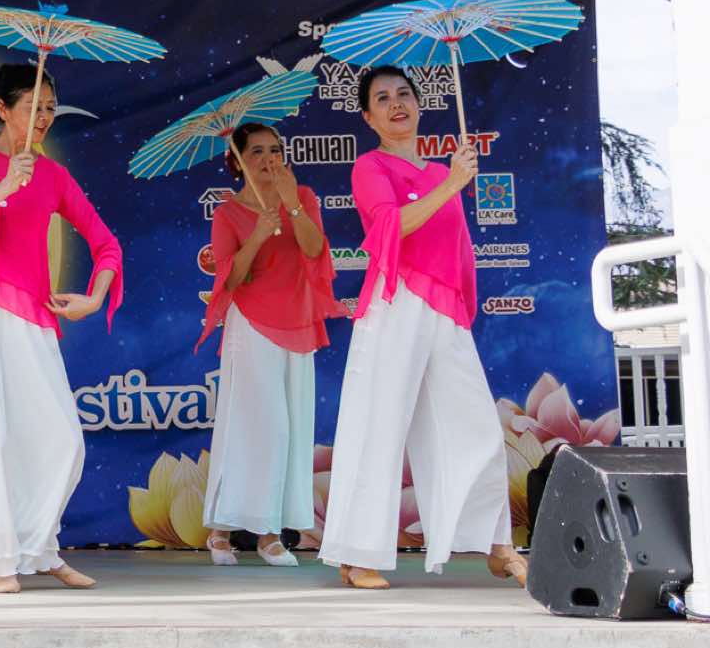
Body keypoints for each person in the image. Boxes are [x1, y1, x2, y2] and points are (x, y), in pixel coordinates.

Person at [318, 66, 525, 590]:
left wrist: (460, 304)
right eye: (383, 98)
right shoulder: (370, 166)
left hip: (444, 308)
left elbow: (458, 250)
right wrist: (453, 183)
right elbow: (390, 227)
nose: (396, 104)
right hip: (395, 302)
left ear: (419, 103)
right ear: (368, 117)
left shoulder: (442, 171)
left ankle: (496, 543)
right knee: (379, 424)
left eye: (404, 94)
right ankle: (356, 553)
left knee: (475, 422)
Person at [0, 65, 121, 593]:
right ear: (2, 108)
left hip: (29, 311)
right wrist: (3, 186)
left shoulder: (53, 175)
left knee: (61, 438)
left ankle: (38, 546)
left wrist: (95, 296)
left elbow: (106, 243)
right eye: (34, 107)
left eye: (50, 108)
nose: (44, 117)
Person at [199, 123, 339, 567]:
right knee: (260, 426)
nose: (267, 159)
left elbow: (315, 251)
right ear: (237, 161)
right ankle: (249, 532)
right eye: (256, 151)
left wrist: (292, 204)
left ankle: (258, 529)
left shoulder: (304, 196)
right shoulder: (228, 214)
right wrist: (259, 233)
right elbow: (230, 280)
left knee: (293, 429)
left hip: (298, 321)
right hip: (252, 325)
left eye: (274, 150)